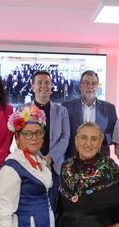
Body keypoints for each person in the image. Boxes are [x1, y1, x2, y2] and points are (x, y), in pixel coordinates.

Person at [18, 71, 71, 211]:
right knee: (33, 206)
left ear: (51, 85)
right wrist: (38, 158)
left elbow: (65, 136)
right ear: (32, 86)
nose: (43, 86)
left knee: (54, 207)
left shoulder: (62, 111)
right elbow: (20, 138)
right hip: (31, 164)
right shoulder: (22, 110)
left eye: (47, 82)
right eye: (39, 82)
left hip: (55, 166)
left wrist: (50, 158)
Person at [62, 70, 117, 158]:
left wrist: (104, 139)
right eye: (86, 83)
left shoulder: (109, 108)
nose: (90, 86)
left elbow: (114, 132)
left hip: (100, 158)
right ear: (80, 86)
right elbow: (63, 133)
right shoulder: (66, 107)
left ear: (98, 87)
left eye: (94, 83)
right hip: (74, 158)